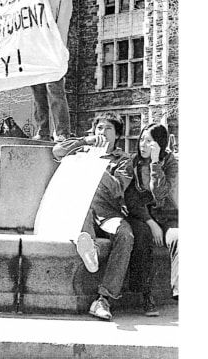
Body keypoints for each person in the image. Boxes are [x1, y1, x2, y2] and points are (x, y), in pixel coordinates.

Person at [52, 113, 134, 320]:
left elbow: (117, 189)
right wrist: (84, 142)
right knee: (81, 214)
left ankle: (103, 299)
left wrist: (97, 164)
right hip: (83, 208)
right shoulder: (84, 149)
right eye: (99, 129)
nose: (102, 133)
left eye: (108, 129)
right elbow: (57, 151)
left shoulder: (123, 160)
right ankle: (91, 249)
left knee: (126, 235)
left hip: (108, 214)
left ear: (117, 136)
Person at [122, 123, 178, 309]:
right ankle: (145, 293)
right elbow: (131, 199)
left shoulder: (170, 162)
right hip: (142, 215)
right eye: (141, 140)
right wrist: (151, 222)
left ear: (160, 144)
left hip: (166, 215)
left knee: (179, 238)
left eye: (149, 141)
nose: (142, 145)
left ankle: (179, 291)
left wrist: (155, 163)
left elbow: (161, 193)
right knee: (143, 236)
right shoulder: (133, 163)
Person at [31, 0, 73, 142]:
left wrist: (58, 51)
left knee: (55, 91)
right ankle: (43, 131)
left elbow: (62, 24)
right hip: (37, 51)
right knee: (38, 93)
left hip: (53, 50)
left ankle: (62, 132)